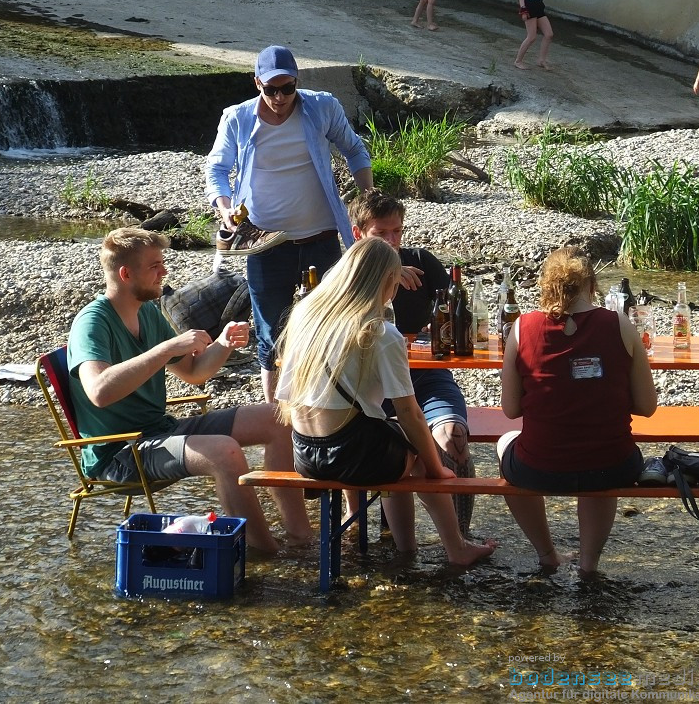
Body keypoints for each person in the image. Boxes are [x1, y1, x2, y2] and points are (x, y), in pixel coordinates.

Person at [67, 228, 312, 553]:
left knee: (279, 417)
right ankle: (266, 553)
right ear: (126, 274)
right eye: (155, 265)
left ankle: (301, 540)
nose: (164, 272)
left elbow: (195, 373)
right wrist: (165, 349)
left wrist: (223, 342)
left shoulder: (148, 312)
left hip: (159, 431)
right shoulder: (93, 322)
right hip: (120, 453)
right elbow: (99, 391)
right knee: (224, 452)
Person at [275, 236, 496, 566]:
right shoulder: (378, 332)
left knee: (393, 443)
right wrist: (437, 468)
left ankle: (403, 551)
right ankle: (455, 548)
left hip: (305, 454)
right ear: (388, 282)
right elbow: (409, 412)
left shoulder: (305, 319)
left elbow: (286, 398)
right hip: (352, 457)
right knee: (421, 458)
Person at [204, 44, 373, 404]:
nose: (279, 97)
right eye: (271, 89)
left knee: (328, 324)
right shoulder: (237, 118)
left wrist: (368, 197)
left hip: (322, 236)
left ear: (297, 82)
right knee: (269, 333)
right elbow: (217, 168)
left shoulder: (322, 106)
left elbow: (355, 149)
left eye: (287, 88)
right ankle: (275, 417)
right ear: (257, 84)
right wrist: (225, 209)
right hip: (264, 243)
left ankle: (325, 405)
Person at [497, 246, 657, 574]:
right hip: (612, 465)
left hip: (539, 467)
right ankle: (588, 565)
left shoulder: (521, 328)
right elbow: (647, 406)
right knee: (600, 456)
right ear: (592, 285)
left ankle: (547, 555)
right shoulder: (620, 325)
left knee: (504, 444)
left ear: (546, 286)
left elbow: (511, 409)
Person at [348, 190, 476, 535]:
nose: (392, 241)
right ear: (358, 234)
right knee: (379, 451)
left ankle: (460, 540)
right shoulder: (345, 275)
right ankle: (367, 533)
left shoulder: (421, 259)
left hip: (424, 377)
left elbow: (462, 315)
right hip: (367, 388)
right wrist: (382, 275)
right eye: (382, 234)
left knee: (456, 439)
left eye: (397, 232)